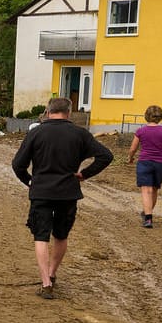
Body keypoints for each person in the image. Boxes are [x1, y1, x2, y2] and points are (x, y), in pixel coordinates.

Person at [11, 97, 114, 299]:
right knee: (61, 235)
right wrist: (84, 174)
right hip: (68, 192)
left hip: (41, 192)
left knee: (41, 236)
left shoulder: (36, 133)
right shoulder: (79, 134)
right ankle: (52, 272)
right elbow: (106, 156)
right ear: (69, 113)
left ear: (48, 112)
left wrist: (30, 181)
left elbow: (18, 164)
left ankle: (46, 283)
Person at [127, 105, 162, 228]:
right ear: (160, 117)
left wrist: (130, 157)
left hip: (144, 162)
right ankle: (148, 213)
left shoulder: (140, 131)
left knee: (146, 190)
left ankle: (148, 218)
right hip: (160, 163)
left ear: (147, 116)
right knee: (154, 189)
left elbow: (133, 148)